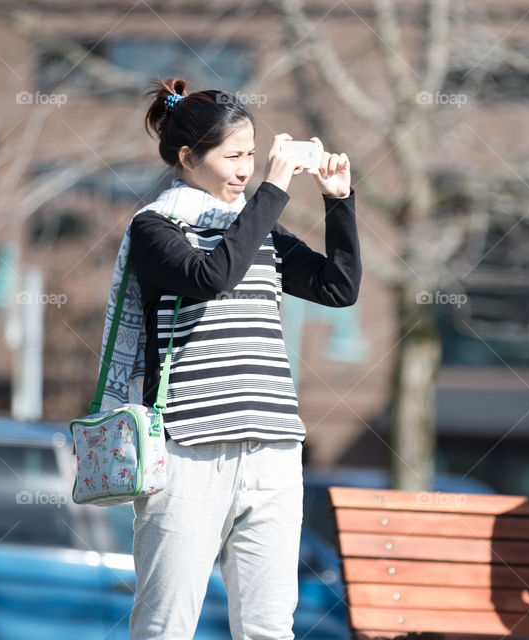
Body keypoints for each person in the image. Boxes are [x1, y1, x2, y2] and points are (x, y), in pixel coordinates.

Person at [96, 77, 360, 639]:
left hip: (274, 448)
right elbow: (211, 277)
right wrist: (274, 189)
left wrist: (338, 201)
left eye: (251, 155)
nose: (245, 169)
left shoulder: (259, 228)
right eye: (233, 156)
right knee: (166, 624)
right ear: (188, 157)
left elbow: (338, 288)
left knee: (269, 628)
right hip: (190, 453)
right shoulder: (156, 228)